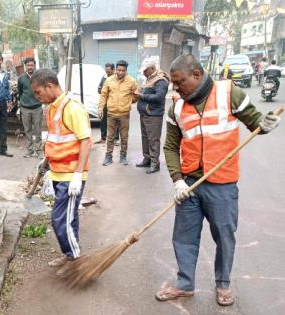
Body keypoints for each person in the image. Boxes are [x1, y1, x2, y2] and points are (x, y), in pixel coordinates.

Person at [157, 54, 281, 306]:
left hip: (222, 184)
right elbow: (170, 147)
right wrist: (177, 180)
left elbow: (254, 121)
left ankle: (223, 283)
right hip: (190, 184)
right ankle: (185, 283)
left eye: (179, 82)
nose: (176, 88)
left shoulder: (229, 93)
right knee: (183, 236)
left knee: (224, 235)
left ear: (197, 75)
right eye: (173, 83)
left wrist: (265, 124)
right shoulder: (177, 107)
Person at [30, 69, 91, 267]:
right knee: (68, 217)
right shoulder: (52, 109)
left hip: (70, 175)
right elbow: (55, 139)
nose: (38, 98)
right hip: (57, 172)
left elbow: (86, 141)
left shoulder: (73, 108)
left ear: (49, 86)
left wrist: (78, 175)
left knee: (59, 219)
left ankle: (74, 258)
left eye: (39, 93)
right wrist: (46, 160)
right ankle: (71, 253)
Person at [98, 60, 138, 166]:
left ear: (126, 70)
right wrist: (101, 108)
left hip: (124, 114)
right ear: (116, 70)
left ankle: (123, 156)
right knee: (110, 136)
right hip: (111, 114)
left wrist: (130, 101)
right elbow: (103, 95)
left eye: (123, 70)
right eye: (119, 70)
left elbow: (137, 94)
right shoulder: (109, 80)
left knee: (124, 137)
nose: (120, 72)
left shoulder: (131, 81)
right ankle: (108, 156)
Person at [134, 63, 170, 174]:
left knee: (153, 139)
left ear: (152, 69)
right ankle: (147, 159)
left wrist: (142, 96)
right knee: (145, 138)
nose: (144, 73)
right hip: (145, 114)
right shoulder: (149, 79)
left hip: (153, 115)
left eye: (145, 71)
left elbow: (159, 97)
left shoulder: (160, 80)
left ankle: (155, 164)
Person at [18, 57, 43, 158]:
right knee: (27, 130)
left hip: (37, 107)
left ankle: (37, 150)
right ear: (25, 66)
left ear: (34, 66)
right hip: (25, 108)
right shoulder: (21, 78)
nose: (30, 67)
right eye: (28, 65)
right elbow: (20, 92)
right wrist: (22, 103)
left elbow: (42, 90)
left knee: (37, 130)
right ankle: (29, 150)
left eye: (31, 65)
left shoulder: (39, 78)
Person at [95, 63, 120, 145]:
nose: (107, 73)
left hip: (113, 102)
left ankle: (116, 139)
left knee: (115, 120)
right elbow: (99, 89)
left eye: (109, 72)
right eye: (106, 71)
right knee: (103, 120)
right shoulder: (104, 77)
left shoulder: (117, 78)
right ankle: (103, 138)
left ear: (113, 70)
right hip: (104, 102)